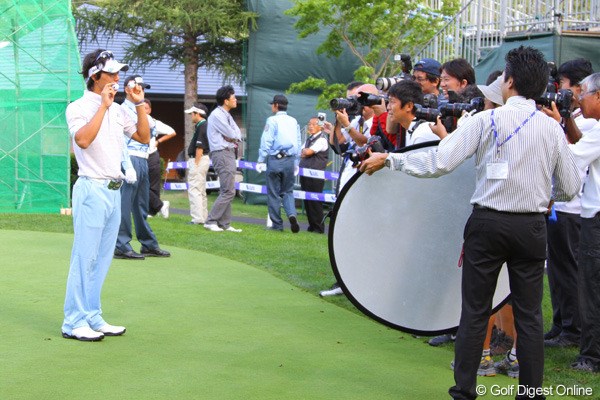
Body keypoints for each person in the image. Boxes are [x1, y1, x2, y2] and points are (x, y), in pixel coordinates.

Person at [360, 46, 581, 399]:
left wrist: (390, 161)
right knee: (530, 315)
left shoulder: (485, 120)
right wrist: (541, 190)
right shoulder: (552, 129)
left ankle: (464, 392)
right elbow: (571, 187)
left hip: (488, 224)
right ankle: (531, 393)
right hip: (532, 228)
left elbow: (440, 162)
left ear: (508, 81)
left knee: (475, 311)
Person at [62, 49, 150, 341]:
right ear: (95, 76)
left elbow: (143, 137)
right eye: (111, 73)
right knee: (84, 257)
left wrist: (138, 105)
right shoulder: (78, 107)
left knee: (101, 259)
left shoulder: (120, 108)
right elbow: (83, 141)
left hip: (114, 190)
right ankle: (73, 322)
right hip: (90, 188)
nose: (117, 77)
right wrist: (103, 106)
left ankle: (92, 316)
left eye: (118, 72)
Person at [540, 59, 595, 349]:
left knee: (570, 270)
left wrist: (559, 121)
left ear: (578, 86)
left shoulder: (588, 120)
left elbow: (572, 153)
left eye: (562, 84)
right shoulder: (574, 115)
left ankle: (572, 330)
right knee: (558, 271)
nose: (558, 90)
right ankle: (561, 324)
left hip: (574, 206)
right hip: (560, 205)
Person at [561, 71, 600, 373]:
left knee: (591, 286)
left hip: (595, 217)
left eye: (583, 93)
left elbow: (572, 157)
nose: (578, 99)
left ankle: (591, 355)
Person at [114, 75, 170, 260]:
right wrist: (127, 166)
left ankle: (148, 244)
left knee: (141, 206)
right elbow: (121, 141)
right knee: (124, 205)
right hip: (130, 159)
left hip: (144, 159)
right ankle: (121, 245)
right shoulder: (121, 110)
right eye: (138, 87)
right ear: (128, 89)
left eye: (143, 88)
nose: (142, 91)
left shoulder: (142, 112)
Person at [256, 94, 302, 233]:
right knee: (288, 191)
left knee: (274, 193)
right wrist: (296, 162)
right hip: (289, 160)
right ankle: (292, 214)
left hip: (275, 159)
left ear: (276, 105)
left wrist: (260, 159)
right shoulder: (293, 121)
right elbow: (298, 142)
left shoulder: (272, 120)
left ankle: (277, 224)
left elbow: (267, 141)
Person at [204, 85, 243, 232]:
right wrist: (231, 136)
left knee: (227, 189)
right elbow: (232, 134)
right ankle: (211, 220)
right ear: (226, 100)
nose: (236, 100)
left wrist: (232, 136)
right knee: (228, 191)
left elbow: (237, 134)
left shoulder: (227, 115)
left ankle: (225, 224)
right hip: (222, 152)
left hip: (227, 152)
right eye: (233, 97)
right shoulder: (217, 115)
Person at [144, 98, 175, 219]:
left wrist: (158, 141)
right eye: (142, 108)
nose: (144, 110)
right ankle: (161, 205)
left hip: (152, 155)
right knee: (141, 184)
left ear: (150, 110)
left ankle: (152, 211)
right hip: (140, 156)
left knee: (153, 185)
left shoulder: (154, 122)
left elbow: (172, 132)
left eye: (146, 108)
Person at [299, 117, 329, 233]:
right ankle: (311, 226)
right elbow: (301, 152)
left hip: (315, 175)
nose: (310, 126)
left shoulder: (322, 140)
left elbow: (308, 152)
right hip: (305, 173)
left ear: (320, 126)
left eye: (313, 124)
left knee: (315, 201)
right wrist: (304, 152)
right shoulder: (308, 139)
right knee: (307, 201)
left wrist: (305, 152)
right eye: (309, 124)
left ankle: (319, 227)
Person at [185, 102, 211, 225]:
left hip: (198, 159)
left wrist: (195, 164)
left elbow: (199, 147)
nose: (191, 116)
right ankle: (203, 217)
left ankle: (197, 218)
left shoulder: (202, 126)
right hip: (203, 160)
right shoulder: (203, 125)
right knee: (201, 190)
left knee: (195, 189)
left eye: (192, 114)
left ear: (198, 114)